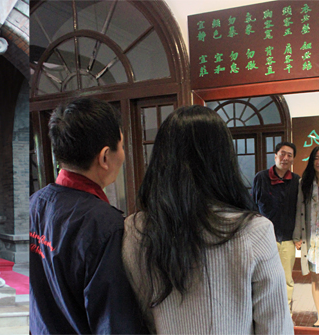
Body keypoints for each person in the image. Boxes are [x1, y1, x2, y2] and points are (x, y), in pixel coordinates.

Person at [122, 105, 293, 334]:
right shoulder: (255, 231)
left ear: (161, 159)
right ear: (224, 160)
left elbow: (136, 319)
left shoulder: (136, 228)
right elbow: (275, 327)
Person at [29, 98, 148, 334]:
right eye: (122, 146)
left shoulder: (35, 203)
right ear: (105, 157)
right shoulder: (105, 226)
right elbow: (113, 322)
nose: (123, 155)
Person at [252, 141, 300, 312]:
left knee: (286, 279)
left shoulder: (296, 181)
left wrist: (298, 235)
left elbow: (299, 210)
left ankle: (286, 314)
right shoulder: (261, 177)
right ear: (275, 155)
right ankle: (265, 312)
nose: (285, 158)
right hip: (264, 239)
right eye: (282, 153)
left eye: (289, 155)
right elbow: (253, 207)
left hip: (286, 238)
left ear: (293, 160)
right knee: (264, 277)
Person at [293, 146, 319, 327]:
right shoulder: (304, 182)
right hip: (313, 239)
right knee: (316, 279)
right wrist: (298, 235)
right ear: (312, 161)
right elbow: (299, 210)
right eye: (316, 158)